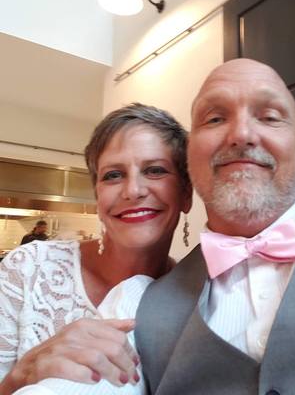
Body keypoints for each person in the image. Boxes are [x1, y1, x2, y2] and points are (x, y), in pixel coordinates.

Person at [135, 59, 295, 394]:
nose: (242, 135)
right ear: (189, 156)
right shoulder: (138, 308)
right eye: (215, 119)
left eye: (270, 117)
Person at [0, 103, 192, 395]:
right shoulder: (28, 270)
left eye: (155, 170)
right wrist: (23, 374)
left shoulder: (193, 299)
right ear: (98, 197)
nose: (133, 191)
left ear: (186, 194)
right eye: (113, 175)